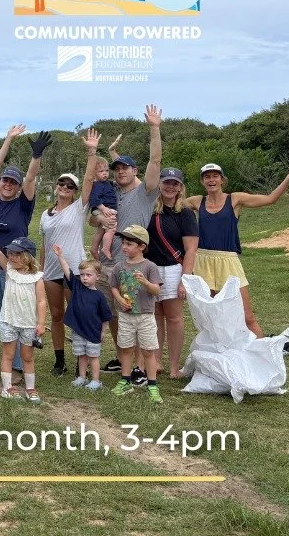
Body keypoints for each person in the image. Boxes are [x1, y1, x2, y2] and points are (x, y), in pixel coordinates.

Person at [184, 164, 289, 338]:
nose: (211, 180)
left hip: (228, 260)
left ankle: (262, 356)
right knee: (212, 315)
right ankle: (219, 357)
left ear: (222, 180)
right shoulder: (196, 201)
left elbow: (270, 199)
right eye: (207, 177)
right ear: (202, 181)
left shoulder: (235, 199)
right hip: (203, 260)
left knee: (247, 316)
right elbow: (169, 203)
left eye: (215, 176)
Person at [0, 125, 49, 385]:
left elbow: (30, 179)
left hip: (19, 272)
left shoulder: (23, 205)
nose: (8, 185)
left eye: (13, 182)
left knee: (20, 316)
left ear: (18, 187)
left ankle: (18, 365)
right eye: (5, 180)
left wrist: (36, 157)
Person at [97, 105, 163, 383]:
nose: (120, 172)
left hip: (132, 260)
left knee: (135, 311)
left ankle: (138, 366)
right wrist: (100, 219)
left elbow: (156, 161)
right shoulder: (112, 193)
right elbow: (93, 219)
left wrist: (154, 128)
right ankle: (122, 355)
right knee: (115, 312)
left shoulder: (146, 191)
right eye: (117, 168)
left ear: (135, 170)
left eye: (125, 168)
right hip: (108, 260)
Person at [38, 128, 100, 377]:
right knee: (56, 315)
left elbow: (88, 180)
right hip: (51, 271)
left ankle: (80, 360)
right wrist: (41, 271)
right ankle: (59, 360)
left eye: (70, 185)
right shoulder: (44, 214)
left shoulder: (78, 208)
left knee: (78, 313)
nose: (65, 187)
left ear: (75, 191)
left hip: (74, 269)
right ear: (56, 186)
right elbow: (44, 243)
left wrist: (92, 152)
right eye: (62, 183)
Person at [0, 231, 46, 403]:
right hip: (8, 321)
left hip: (29, 324)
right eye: (11, 253)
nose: (12, 257)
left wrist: (41, 323)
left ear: (28, 256)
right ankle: (7, 388)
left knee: (28, 357)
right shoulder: (9, 270)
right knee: (7, 355)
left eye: (17, 254)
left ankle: (30, 388)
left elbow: (41, 302)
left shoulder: (37, 278)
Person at [146, 167, 198, 378]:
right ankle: (156, 361)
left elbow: (191, 249)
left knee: (174, 317)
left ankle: (174, 366)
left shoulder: (185, 212)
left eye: (174, 183)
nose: (170, 186)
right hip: (151, 267)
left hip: (174, 268)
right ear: (160, 184)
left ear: (180, 187)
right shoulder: (151, 208)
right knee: (155, 315)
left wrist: (185, 279)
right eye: (166, 182)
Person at [109, 225, 163, 403]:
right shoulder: (119, 266)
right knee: (126, 349)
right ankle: (125, 381)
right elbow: (113, 286)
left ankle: (152, 384)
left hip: (145, 315)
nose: (124, 247)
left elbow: (156, 291)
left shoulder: (150, 266)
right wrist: (118, 299)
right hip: (125, 316)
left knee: (148, 350)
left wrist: (145, 282)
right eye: (123, 243)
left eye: (129, 244)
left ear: (142, 246)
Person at [51, 250, 112, 391]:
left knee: (93, 357)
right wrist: (61, 256)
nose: (84, 278)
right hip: (78, 331)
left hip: (93, 332)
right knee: (81, 355)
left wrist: (103, 331)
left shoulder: (99, 296)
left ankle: (96, 380)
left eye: (88, 275)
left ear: (98, 276)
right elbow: (67, 272)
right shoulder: (77, 287)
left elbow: (105, 317)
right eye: (82, 275)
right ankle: (82, 377)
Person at [88, 156, 119, 262]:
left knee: (101, 231)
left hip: (105, 209)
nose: (105, 173)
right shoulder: (96, 185)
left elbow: (114, 184)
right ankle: (105, 248)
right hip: (102, 209)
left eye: (106, 170)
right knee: (111, 229)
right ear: (94, 173)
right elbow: (94, 199)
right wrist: (104, 208)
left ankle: (94, 248)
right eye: (101, 171)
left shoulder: (107, 183)